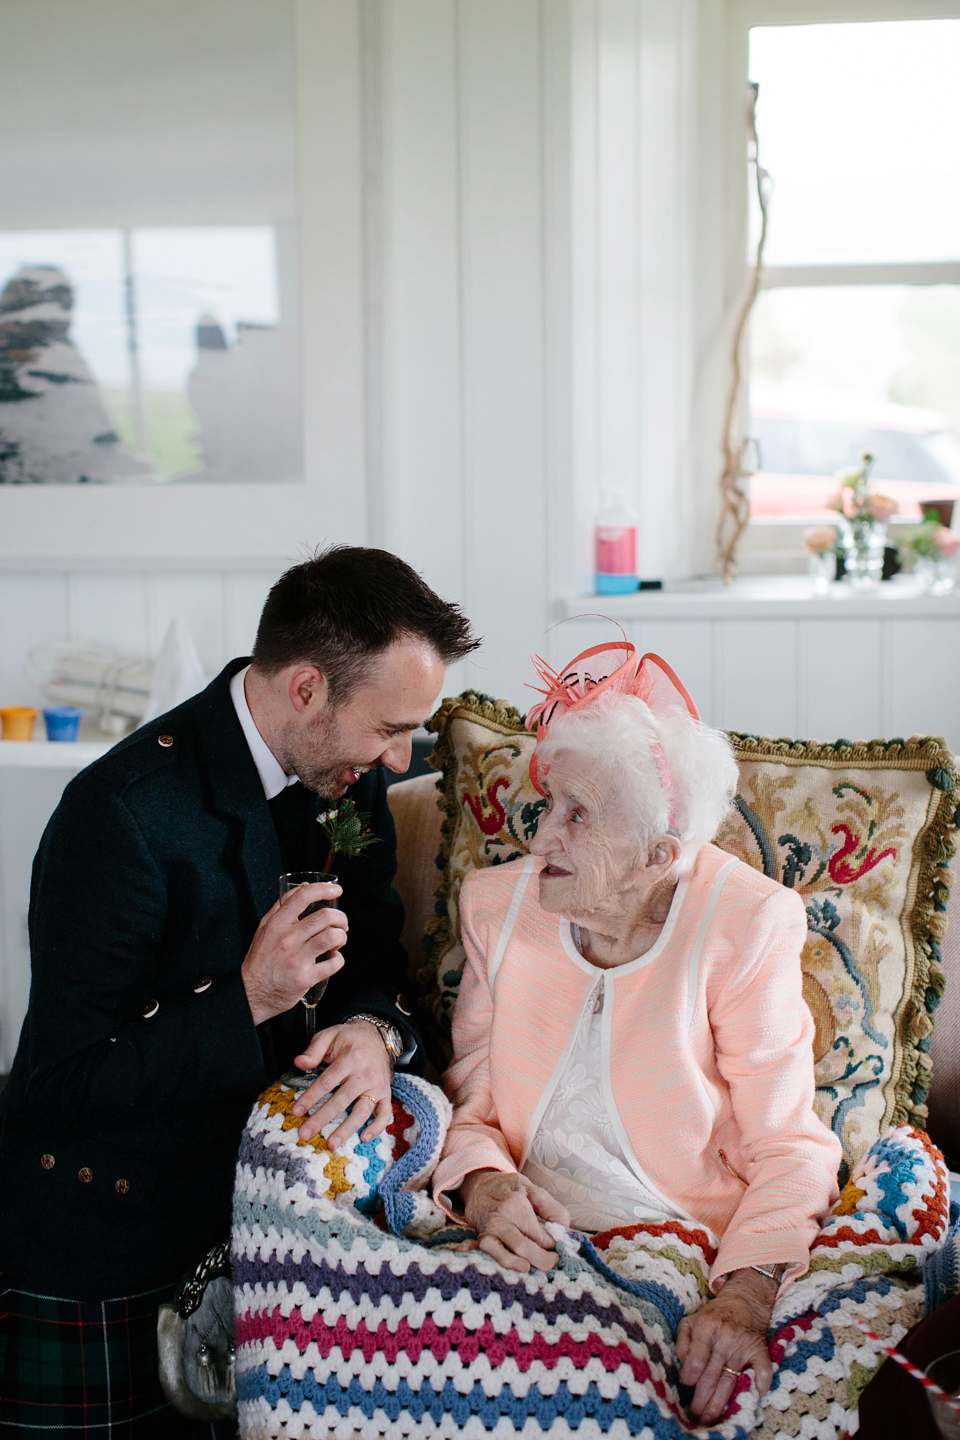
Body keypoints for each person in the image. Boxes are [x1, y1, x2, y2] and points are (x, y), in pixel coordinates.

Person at [0, 545, 478, 1436]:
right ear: (305, 690)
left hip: (270, 1224)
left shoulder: (347, 776)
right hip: (109, 1236)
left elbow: (374, 953)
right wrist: (247, 997)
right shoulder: (120, 816)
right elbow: (62, 1087)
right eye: (388, 728)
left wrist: (373, 1030)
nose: (404, 756)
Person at [431, 641, 842, 1427]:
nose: (541, 839)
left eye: (576, 817)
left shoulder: (744, 924)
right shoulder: (497, 908)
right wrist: (485, 1187)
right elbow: (471, 1107)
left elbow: (790, 1146)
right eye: (548, 802)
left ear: (658, 854)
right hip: (532, 1235)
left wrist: (748, 1292)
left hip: (679, 1238)